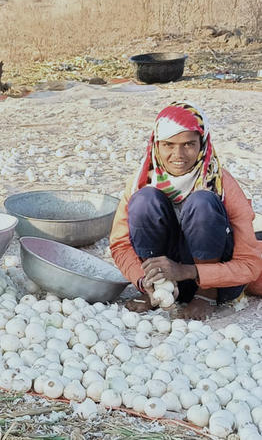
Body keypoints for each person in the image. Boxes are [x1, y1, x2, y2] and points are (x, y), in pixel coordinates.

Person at [110, 101, 262, 320]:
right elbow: (120, 244)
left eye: (189, 144)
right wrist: (143, 280)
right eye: (169, 145)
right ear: (156, 145)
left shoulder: (221, 184)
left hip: (218, 285)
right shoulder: (141, 182)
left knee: (202, 202)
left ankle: (204, 295)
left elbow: (249, 263)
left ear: (203, 144)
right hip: (166, 279)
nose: (178, 154)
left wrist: (188, 272)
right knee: (144, 201)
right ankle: (156, 287)